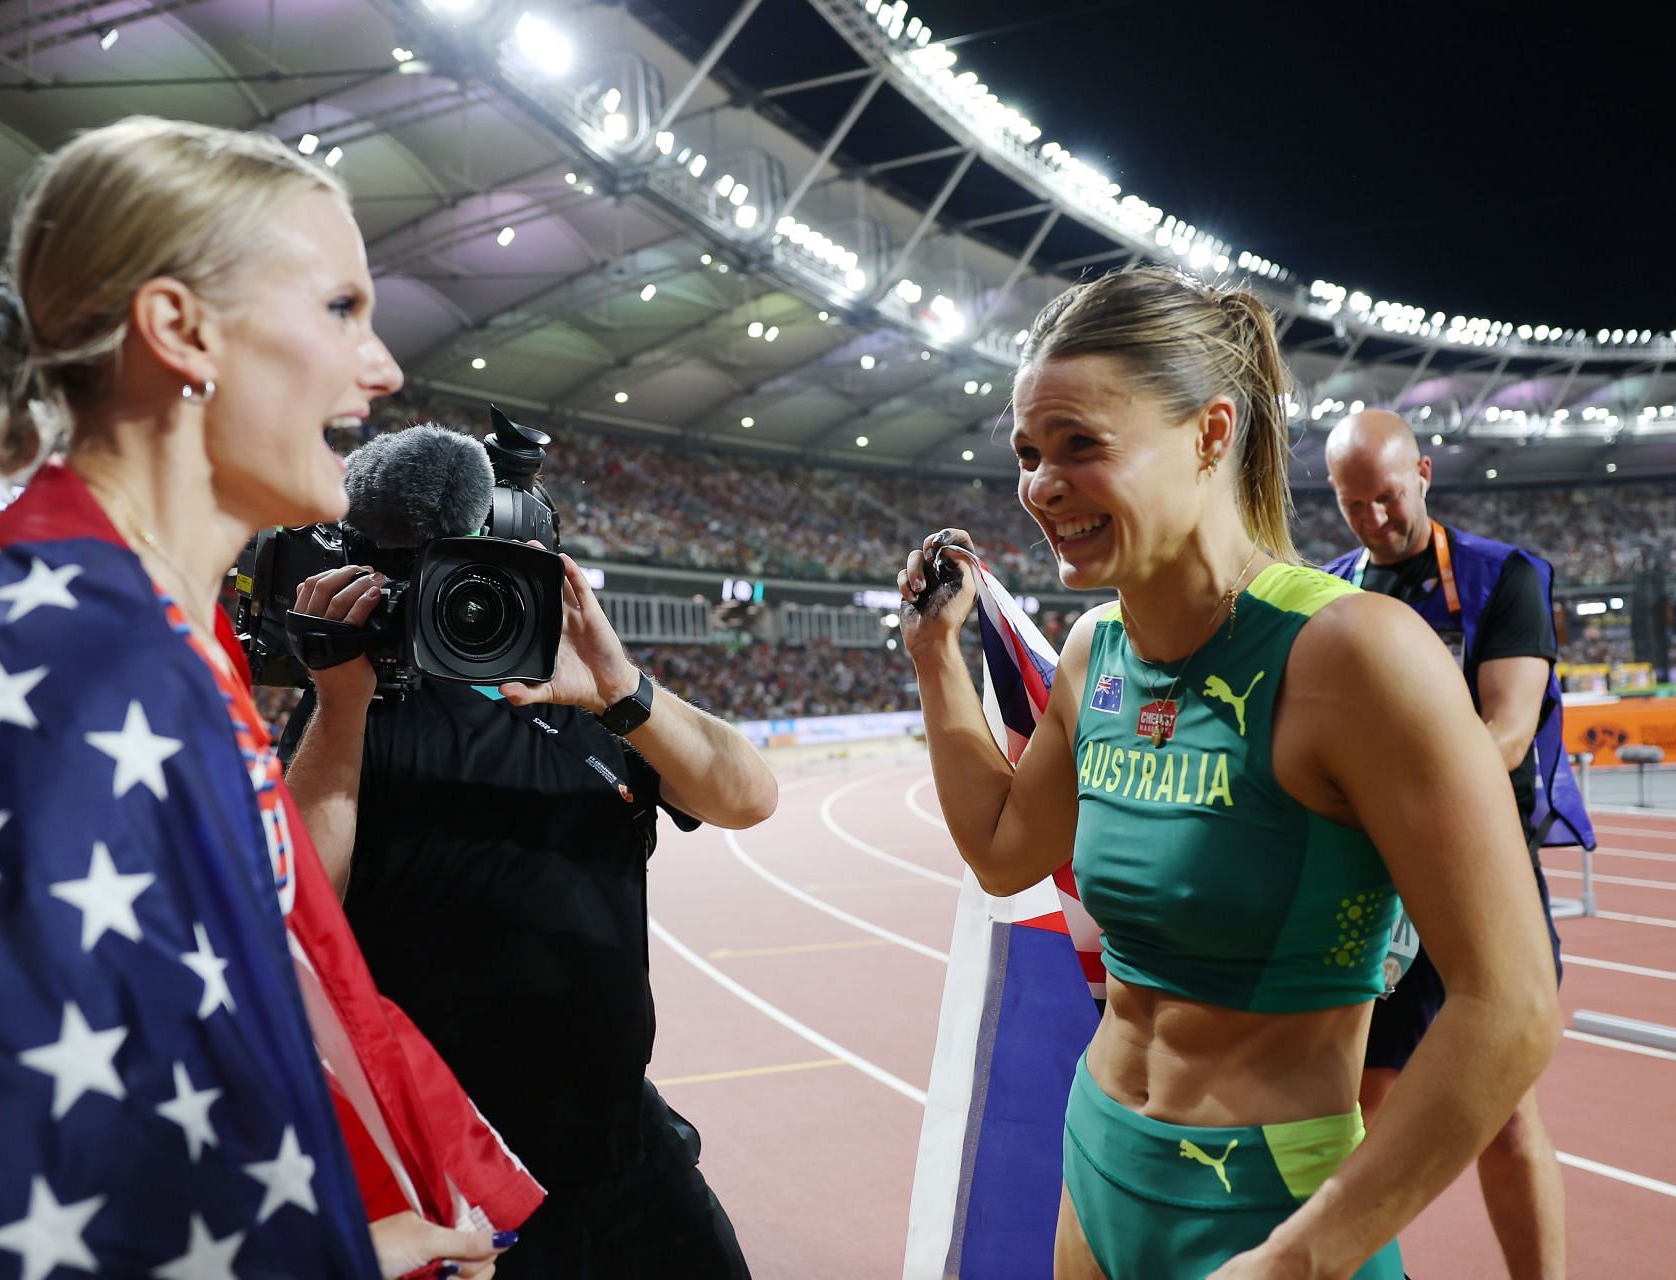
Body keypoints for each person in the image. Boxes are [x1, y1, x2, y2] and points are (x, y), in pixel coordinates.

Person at [0, 116, 539, 1279]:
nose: (381, 369)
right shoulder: (66, 662)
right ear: (180, 329)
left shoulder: (153, 624)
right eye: (340, 309)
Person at [897, 266, 1559, 1279]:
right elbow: (1001, 849)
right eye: (1030, 452)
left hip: (1268, 1207)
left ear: (1211, 434)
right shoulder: (1094, 649)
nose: (1039, 483)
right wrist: (937, 662)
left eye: (1081, 444)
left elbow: (1510, 1005)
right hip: (1100, 1159)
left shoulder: (1355, 655)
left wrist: (1297, 1260)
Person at [283, 524, 780, 1278]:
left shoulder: (594, 700)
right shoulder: (355, 707)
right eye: (449, 579)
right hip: (462, 1168)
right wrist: (341, 697)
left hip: (624, 1144)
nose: (471, 602)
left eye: (489, 578)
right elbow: (301, 902)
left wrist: (622, 689)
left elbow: (749, 799)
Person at [1325, 408, 1592, 1280]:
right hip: (1369, 888)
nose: (1373, 519)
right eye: (1352, 503)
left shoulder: (1501, 577)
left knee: (1504, 1111)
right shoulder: (1328, 592)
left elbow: (1508, 731)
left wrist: (1397, 802)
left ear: (1426, 473)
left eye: (1388, 497)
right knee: (1355, 1113)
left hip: (1481, 876)